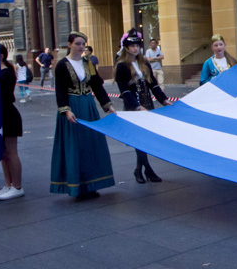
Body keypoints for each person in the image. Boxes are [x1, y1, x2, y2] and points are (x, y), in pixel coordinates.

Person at [50, 32, 116, 199]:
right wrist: (66, 110)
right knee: (75, 146)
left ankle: (92, 185)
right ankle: (77, 186)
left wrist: (108, 105)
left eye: (83, 44)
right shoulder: (62, 65)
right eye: (78, 43)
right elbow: (60, 90)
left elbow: (97, 86)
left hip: (88, 106)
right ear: (69, 44)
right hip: (72, 107)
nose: (81, 47)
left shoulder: (88, 63)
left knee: (91, 144)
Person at [114, 29, 173, 183]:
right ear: (126, 47)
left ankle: (140, 170)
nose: (135, 48)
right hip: (134, 105)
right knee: (139, 138)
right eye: (132, 45)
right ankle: (145, 170)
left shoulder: (144, 63)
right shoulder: (122, 65)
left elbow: (153, 85)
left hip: (147, 102)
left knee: (144, 138)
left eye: (137, 45)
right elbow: (125, 90)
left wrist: (164, 100)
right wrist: (137, 107)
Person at [0, 45, 25, 201]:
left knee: (11, 152)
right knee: (4, 154)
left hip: (8, 115)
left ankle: (17, 186)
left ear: (1, 56)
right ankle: (8, 184)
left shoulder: (6, 73)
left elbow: (4, 95)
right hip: (0, 115)